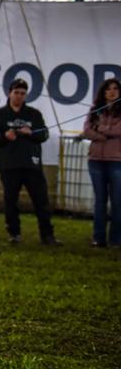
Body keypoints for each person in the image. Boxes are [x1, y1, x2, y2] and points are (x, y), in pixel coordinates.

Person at [0, 78, 60, 245]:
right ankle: (14, 233)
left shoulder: (33, 114)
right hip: (9, 164)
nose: (19, 96)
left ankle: (47, 234)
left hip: (31, 164)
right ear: (10, 93)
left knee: (41, 200)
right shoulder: (0, 115)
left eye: (22, 93)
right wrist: (4, 136)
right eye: (16, 92)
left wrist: (30, 133)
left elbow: (44, 135)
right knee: (11, 200)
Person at [82, 77, 121, 247]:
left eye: (115, 88)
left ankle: (116, 239)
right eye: (108, 89)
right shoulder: (95, 110)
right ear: (103, 92)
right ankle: (98, 238)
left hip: (117, 160)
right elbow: (86, 131)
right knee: (100, 201)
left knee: (118, 201)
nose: (112, 91)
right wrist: (102, 136)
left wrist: (101, 129)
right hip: (96, 160)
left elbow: (119, 130)